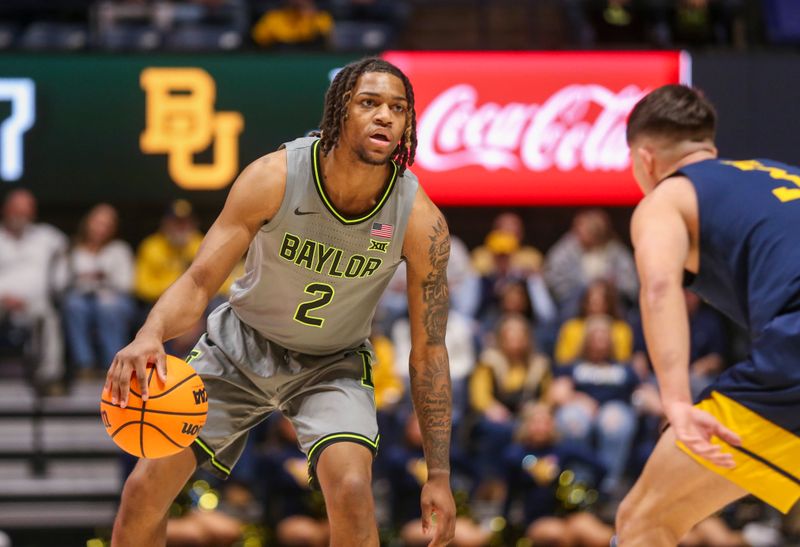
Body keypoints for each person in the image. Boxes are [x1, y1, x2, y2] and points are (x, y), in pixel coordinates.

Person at [105, 57, 456, 547]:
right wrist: (149, 334)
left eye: (398, 108)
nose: (385, 117)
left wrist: (438, 472)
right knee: (144, 490)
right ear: (339, 112)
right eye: (369, 103)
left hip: (331, 363)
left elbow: (429, 351)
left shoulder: (420, 221)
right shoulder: (274, 177)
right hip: (240, 347)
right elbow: (201, 280)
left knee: (354, 489)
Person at [615, 84, 800, 545]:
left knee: (643, 522)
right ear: (709, 148)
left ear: (645, 159)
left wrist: (676, 400)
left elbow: (660, 288)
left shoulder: (668, 197)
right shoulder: (785, 174)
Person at [0, 189, 68, 390]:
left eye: (25, 211)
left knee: (49, 319)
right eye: (15, 209)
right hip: (1, 300)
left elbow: (64, 264)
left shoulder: (49, 237)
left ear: (33, 213)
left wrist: (54, 290)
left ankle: (49, 378)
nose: (19, 215)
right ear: (5, 209)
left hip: (36, 302)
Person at [62, 203, 135, 380]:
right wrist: (91, 281)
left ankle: (113, 364)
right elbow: (62, 282)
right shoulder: (73, 249)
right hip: (82, 299)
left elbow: (127, 284)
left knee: (107, 305)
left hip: (115, 300)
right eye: (97, 222)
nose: (101, 228)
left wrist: (97, 280)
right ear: (87, 223)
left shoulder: (119, 250)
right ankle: (84, 364)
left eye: (106, 224)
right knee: (73, 304)